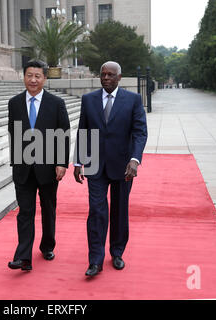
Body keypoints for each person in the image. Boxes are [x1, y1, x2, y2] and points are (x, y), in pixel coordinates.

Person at [74, 61, 147, 277]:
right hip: (95, 165)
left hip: (123, 166)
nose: (106, 78)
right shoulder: (88, 100)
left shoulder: (132, 100)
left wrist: (134, 160)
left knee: (119, 210)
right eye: (103, 74)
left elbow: (140, 132)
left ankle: (117, 252)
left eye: (110, 75)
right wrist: (78, 162)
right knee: (96, 211)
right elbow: (83, 131)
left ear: (119, 78)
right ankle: (95, 260)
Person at [7, 60, 71, 271]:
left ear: (44, 78)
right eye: (29, 75)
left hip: (48, 168)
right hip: (23, 169)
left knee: (48, 209)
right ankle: (23, 256)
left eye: (37, 76)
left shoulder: (56, 103)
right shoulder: (14, 103)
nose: (33, 80)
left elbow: (63, 135)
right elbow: (13, 133)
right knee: (25, 211)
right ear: (23, 76)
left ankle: (47, 245)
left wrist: (61, 163)